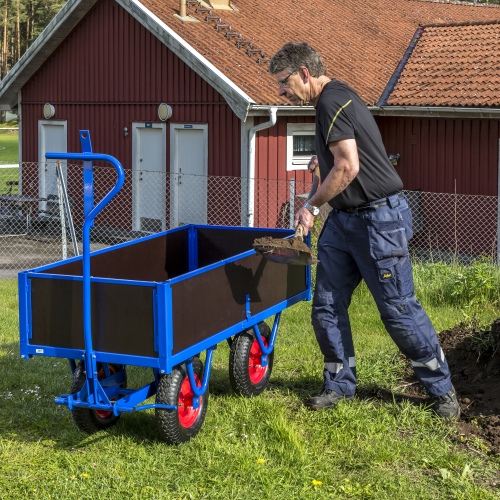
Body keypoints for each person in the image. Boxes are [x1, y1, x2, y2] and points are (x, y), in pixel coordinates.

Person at [268, 42, 459, 419]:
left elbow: (348, 167)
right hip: (344, 221)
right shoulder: (333, 100)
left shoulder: (330, 102)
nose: (280, 91)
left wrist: (311, 207)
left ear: (305, 73)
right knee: (326, 305)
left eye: (284, 81)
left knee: (398, 312)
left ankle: (442, 391)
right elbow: (331, 166)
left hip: (379, 222)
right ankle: (339, 384)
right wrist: (317, 186)